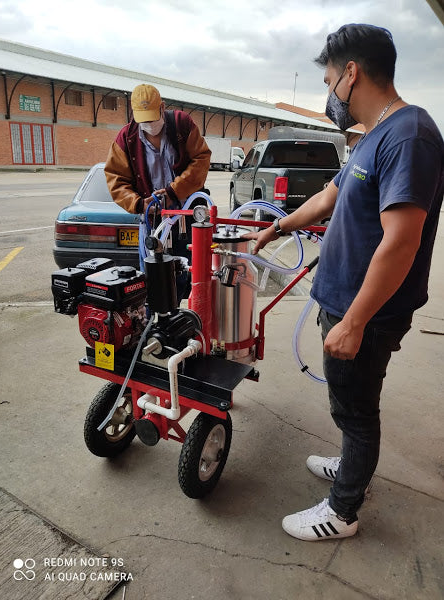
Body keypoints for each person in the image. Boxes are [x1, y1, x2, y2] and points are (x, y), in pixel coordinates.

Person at [247, 23, 443, 541]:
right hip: (345, 299)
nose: (330, 93)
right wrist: (276, 227)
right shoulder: (373, 136)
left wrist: (355, 321)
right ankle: (351, 465)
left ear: (351, 73)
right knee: (347, 402)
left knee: (357, 410)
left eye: (330, 80)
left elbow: (401, 241)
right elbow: (329, 197)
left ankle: (344, 509)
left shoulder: (410, 136)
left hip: (370, 312)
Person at [104, 84, 211, 297]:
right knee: (155, 281)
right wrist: (139, 204)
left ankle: (191, 319)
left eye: (153, 117)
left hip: (188, 218)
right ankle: (159, 321)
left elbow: (201, 159)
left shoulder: (182, 124)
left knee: (192, 277)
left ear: (162, 108)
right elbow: (116, 180)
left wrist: (174, 192)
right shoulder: (126, 138)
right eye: (143, 120)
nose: (149, 124)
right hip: (153, 221)